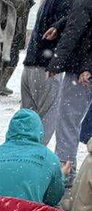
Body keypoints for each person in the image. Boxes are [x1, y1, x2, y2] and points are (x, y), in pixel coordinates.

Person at [0, 107, 67, 203]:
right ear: (39, 131)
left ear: (10, 129)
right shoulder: (49, 157)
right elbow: (53, 199)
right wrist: (60, 176)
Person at [48, 0, 92, 182]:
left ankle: (64, 174)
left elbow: (76, 30)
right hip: (83, 67)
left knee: (67, 120)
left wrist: (56, 63)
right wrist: (59, 25)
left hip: (81, 71)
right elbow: (80, 18)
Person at [20, 0, 71, 144]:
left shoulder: (47, 3)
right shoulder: (66, 4)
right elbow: (71, 27)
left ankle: (18, 157)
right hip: (46, 68)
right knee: (46, 120)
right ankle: (35, 160)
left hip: (31, 64)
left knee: (26, 120)